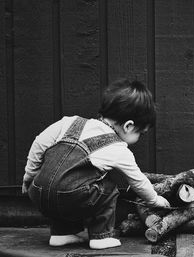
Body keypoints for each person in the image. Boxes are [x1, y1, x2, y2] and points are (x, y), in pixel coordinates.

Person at [21, 78, 170, 249]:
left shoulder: (70, 122)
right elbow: (138, 181)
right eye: (141, 134)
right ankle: (101, 237)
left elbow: (39, 144)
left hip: (38, 193)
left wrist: (29, 176)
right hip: (70, 197)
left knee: (59, 184)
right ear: (129, 126)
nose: (139, 138)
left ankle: (62, 233)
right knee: (108, 188)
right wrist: (155, 200)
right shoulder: (118, 148)